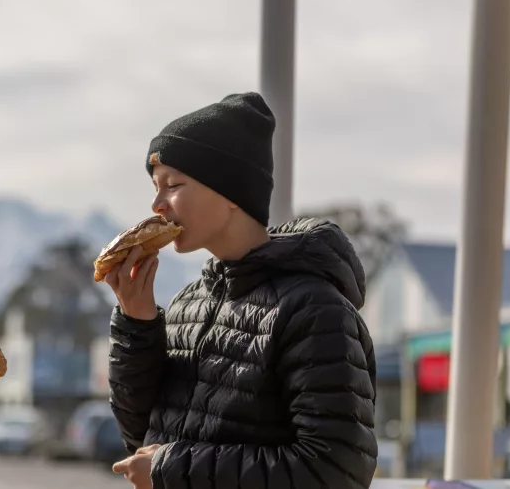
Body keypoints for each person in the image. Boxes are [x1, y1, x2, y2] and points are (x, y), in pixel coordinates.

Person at [106, 93, 378, 489]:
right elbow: (142, 443)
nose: (157, 204)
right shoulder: (187, 304)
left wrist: (172, 468)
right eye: (155, 187)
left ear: (230, 191)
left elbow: (334, 470)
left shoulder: (315, 311)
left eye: (173, 185)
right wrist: (136, 323)